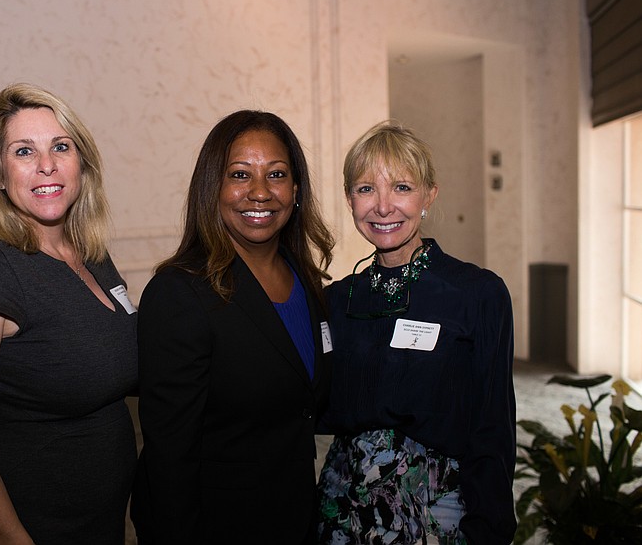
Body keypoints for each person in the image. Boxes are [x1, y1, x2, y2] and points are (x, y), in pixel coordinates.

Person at [0, 83, 138, 545]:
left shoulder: (91, 255)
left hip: (104, 520)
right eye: (24, 151)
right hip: (32, 528)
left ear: (83, 164)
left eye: (61, 146)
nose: (47, 165)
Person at [131, 110, 335, 545]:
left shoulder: (306, 282)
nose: (259, 193)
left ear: (296, 190)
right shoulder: (179, 294)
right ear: (213, 189)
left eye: (276, 174)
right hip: (215, 527)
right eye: (240, 174)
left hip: (293, 518)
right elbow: (169, 455)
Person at [316, 120, 516, 544]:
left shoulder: (476, 293)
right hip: (341, 510)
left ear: (429, 195)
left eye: (402, 187)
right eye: (366, 189)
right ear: (350, 199)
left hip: (432, 511)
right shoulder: (337, 301)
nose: (383, 207)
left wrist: (490, 528)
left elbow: (493, 425)